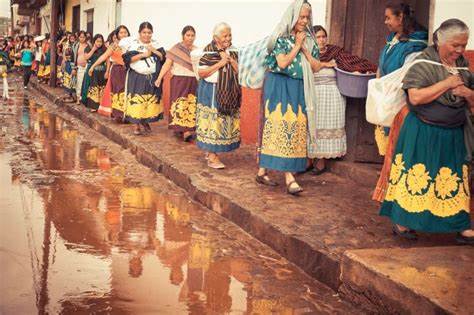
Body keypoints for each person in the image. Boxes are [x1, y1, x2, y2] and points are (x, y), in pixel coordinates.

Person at [380, 19, 473, 245]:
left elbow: (471, 101)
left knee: (449, 178)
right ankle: (403, 223)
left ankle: (458, 225)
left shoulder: (462, 66)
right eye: (455, 45)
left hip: (453, 133)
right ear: (440, 41)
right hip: (422, 130)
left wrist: (467, 93)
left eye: (464, 45)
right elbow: (415, 97)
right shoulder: (422, 62)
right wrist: (447, 84)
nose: (460, 50)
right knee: (417, 175)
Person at [257, 1, 320, 194]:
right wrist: (297, 46)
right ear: (292, 16)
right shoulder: (281, 38)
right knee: (280, 127)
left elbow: (316, 67)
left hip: (299, 87)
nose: (304, 20)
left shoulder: (310, 39)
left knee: (295, 127)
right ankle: (289, 177)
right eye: (301, 16)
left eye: (307, 17)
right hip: (279, 86)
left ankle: (261, 171)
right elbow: (283, 63)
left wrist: (305, 49)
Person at [372, 2, 428, 202]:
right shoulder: (392, 39)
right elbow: (382, 65)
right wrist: (379, 85)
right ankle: (387, 183)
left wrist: (386, 89)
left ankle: (395, 188)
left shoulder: (416, 45)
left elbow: (406, 76)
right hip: (387, 97)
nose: (386, 22)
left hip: (401, 101)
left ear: (401, 17)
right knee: (388, 144)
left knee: (399, 144)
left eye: (389, 17)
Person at [309, 25, 377, 174]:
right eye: (318, 37)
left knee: (327, 125)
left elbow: (351, 63)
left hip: (332, 95)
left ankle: (321, 162)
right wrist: (325, 64)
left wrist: (363, 70)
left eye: (323, 36)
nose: (321, 40)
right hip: (314, 95)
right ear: (312, 39)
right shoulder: (308, 53)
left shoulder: (335, 52)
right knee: (313, 127)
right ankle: (310, 159)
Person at [195, 22, 241, 169]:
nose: (228, 38)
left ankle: (211, 153)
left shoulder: (234, 51)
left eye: (230, 35)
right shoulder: (208, 51)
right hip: (211, 91)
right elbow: (201, 73)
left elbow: (241, 71)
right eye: (225, 35)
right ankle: (212, 156)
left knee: (222, 124)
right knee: (212, 123)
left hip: (229, 92)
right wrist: (220, 63)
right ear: (215, 37)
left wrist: (231, 60)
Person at [120, 22, 166, 135]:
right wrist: (144, 55)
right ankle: (136, 125)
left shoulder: (156, 44)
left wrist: (154, 51)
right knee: (137, 100)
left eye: (149, 32)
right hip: (137, 77)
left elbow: (163, 58)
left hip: (151, 77)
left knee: (149, 101)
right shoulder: (133, 44)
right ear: (139, 33)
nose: (146, 35)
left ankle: (145, 121)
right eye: (144, 32)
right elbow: (128, 59)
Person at [155, 25, 198, 142]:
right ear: (183, 36)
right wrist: (159, 78)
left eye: (192, 35)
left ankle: (185, 129)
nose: (190, 38)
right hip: (179, 80)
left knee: (190, 104)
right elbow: (167, 64)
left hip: (193, 80)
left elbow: (200, 67)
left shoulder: (197, 51)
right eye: (187, 35)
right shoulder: (176, 49)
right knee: (180, 104)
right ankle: (184, 131)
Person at [89, 25, 130, 121]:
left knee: (128, 92)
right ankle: (118, 114)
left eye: (125, 32)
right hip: (117, 71)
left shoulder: (132, 44)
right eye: (121, 32)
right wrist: (93, 66)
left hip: (128, 71)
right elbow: (103, 57)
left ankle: (127, 115)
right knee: (117, 92)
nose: (123, 34)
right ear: (117, 34)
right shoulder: (114, 46)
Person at [82, 34, 107, 111]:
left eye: (101, 41)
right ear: (94, 41)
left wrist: (107, 70)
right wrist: (93, 49)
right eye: (97, 41)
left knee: (101, 88)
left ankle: (100, 105)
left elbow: (107, 60)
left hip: (102, 71)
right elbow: (86, 57)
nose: (99, 43)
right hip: (92, 71)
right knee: (92, 88)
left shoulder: (104, 49)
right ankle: (93, 106)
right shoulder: (89, 48)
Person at [74, 31, 91, 105]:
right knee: (79, 82)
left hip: (87, 66)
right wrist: (74, 68)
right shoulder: (76, 45)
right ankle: (78, 98)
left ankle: (84, 98)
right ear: (78, 37)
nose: (82, 38)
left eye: (83, 37)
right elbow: (73, 57)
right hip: (79, 67)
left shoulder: (89, 45)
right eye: (80, 37)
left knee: (86, 83)